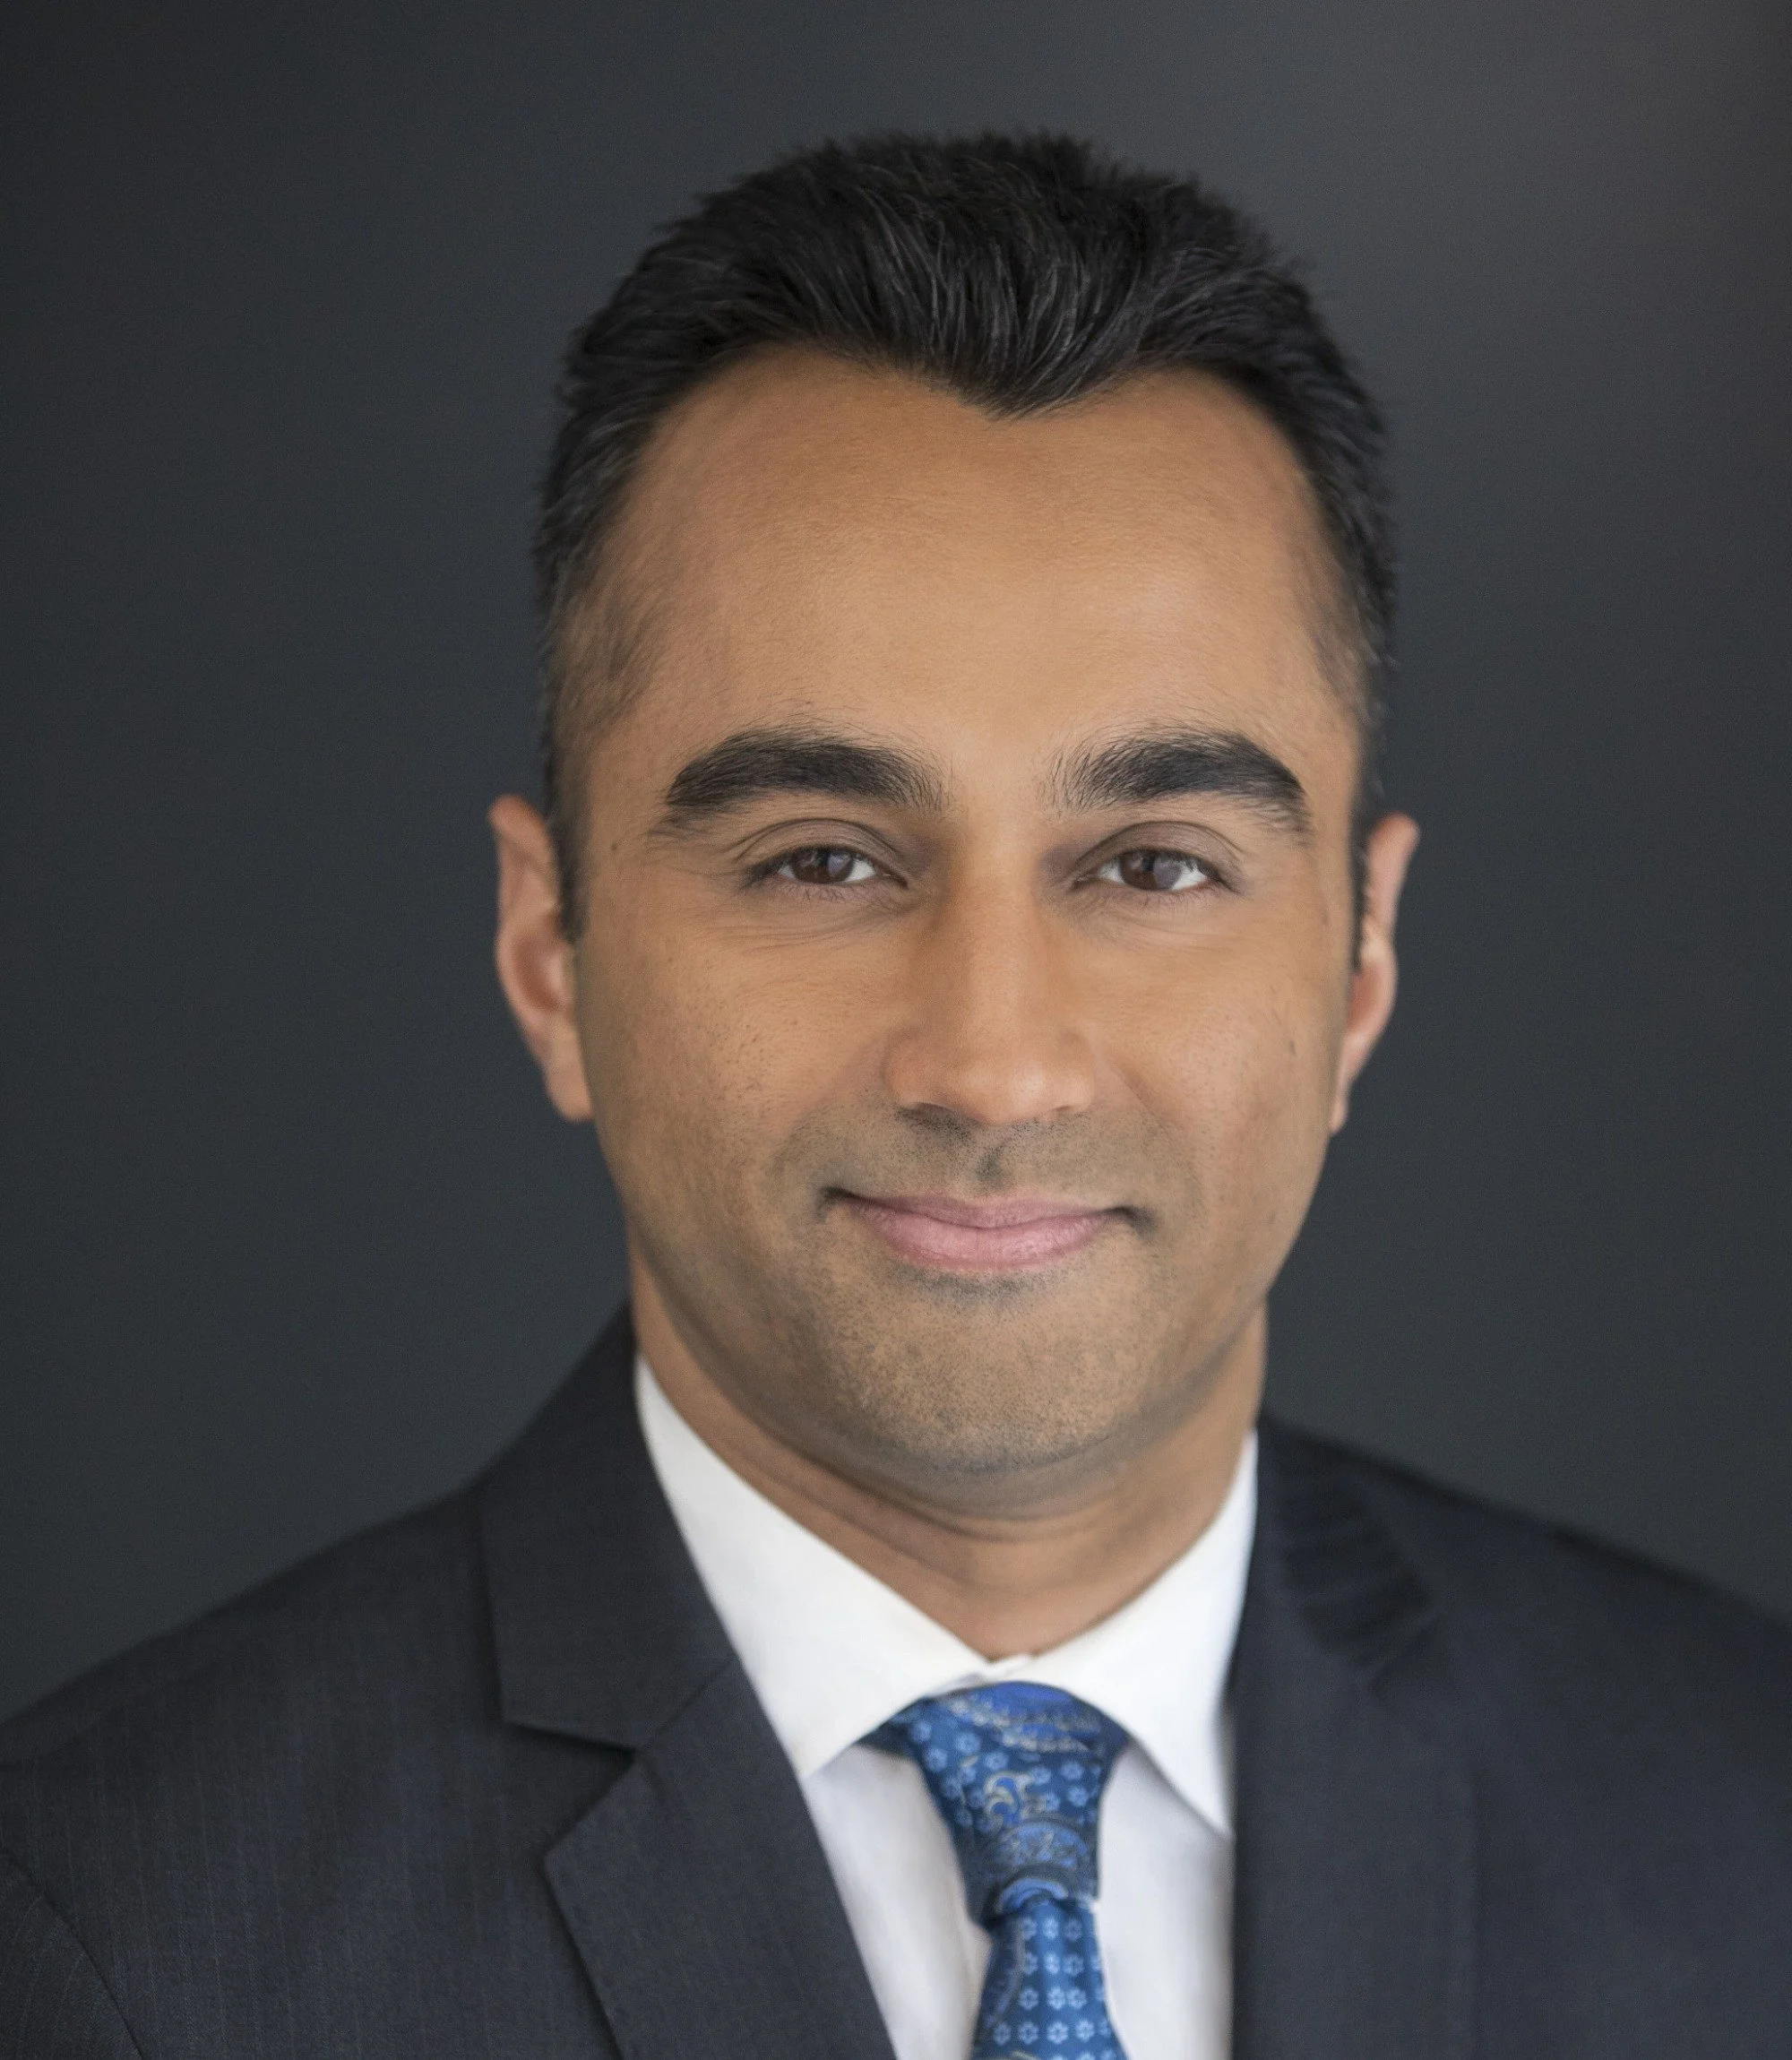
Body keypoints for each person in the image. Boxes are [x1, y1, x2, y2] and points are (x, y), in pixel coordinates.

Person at [3, 132, 1788, 2060]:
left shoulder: (1739, 1819)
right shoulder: (107, 1945)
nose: (994, 1065)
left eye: (1155, 865)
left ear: (1359, 960)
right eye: (822, 860)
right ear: (553, 953)